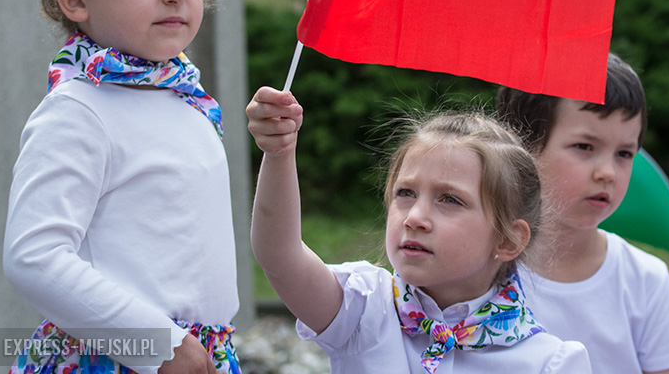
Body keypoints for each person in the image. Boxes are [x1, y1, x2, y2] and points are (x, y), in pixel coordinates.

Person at [4, 0, 240, 374]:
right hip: (118, 357)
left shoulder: (185, 98)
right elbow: (34, 255)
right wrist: (157, 344)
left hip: (196, 355)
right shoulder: (78, 111)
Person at [246, 85, 592, 373]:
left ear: (508, 239)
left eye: (450, 200)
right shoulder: (364, 307)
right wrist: (279, 153)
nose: (415, 217)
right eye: (406, 193)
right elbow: (280, 256)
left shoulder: (549, 363)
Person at [495, 52, 669, 374]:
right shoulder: (471, 271)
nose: (608, 172)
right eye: (585, 147)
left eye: (624, 153)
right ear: (517, 150)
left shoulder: (643, 281)